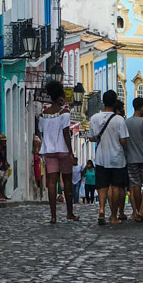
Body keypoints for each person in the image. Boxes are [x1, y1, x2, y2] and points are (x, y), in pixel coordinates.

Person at [38, 78, 79, 223]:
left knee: (51, 182)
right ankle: (69, 212)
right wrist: (71, 153)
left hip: (49, 151)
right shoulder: (65, 113)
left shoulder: (43, 115)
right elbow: (66, 133)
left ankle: (53, 216)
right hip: (63, 150)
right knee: (67, 181)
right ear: (61, 95)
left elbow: (42, 132)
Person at [87, 90, 129, 226]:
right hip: (117, 158)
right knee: (116, 186)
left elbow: (92, 138)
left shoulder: (94, 118)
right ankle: (113, 216)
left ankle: (101, 210)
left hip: (101, 157)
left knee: (103, 187)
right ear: (115, 102)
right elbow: (123, 140)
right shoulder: (119, 120)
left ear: (103, 102)